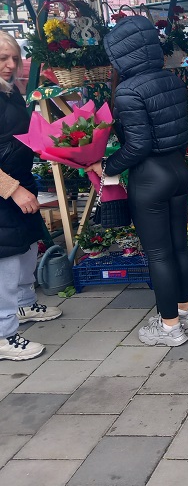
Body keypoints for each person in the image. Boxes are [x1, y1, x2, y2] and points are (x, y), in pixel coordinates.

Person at [89, 16, 188, 346]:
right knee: (179, 245)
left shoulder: (128, 91)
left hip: (150, 176)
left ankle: (169, 328)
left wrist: (107, 166)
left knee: (158, 253)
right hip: (179, 169)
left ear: (120, 55)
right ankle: (187, 311)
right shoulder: (172, 80)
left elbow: (138, 145)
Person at [0, 32, 62, 361]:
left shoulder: (8, 90)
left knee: (24, 249)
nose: (11, 65)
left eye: (14, 57)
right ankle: (4, 335)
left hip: (20, 183)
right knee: (7, 261)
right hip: (5, 193)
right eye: (2, 59)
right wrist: (12, 189)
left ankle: (24, 305)